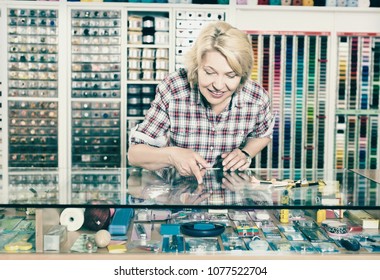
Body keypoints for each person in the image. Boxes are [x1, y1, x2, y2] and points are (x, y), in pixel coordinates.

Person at [128, 21, 274, 184]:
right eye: (209, 72)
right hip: (180, 198)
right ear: (196, 67)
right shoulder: (174, 88)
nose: (218, 85)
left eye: (231, 75)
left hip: (231, 199)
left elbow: (263, 135)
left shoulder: (256, 98)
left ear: (242, 75)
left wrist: (245, 153)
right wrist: (172, 155)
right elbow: (134, 154)